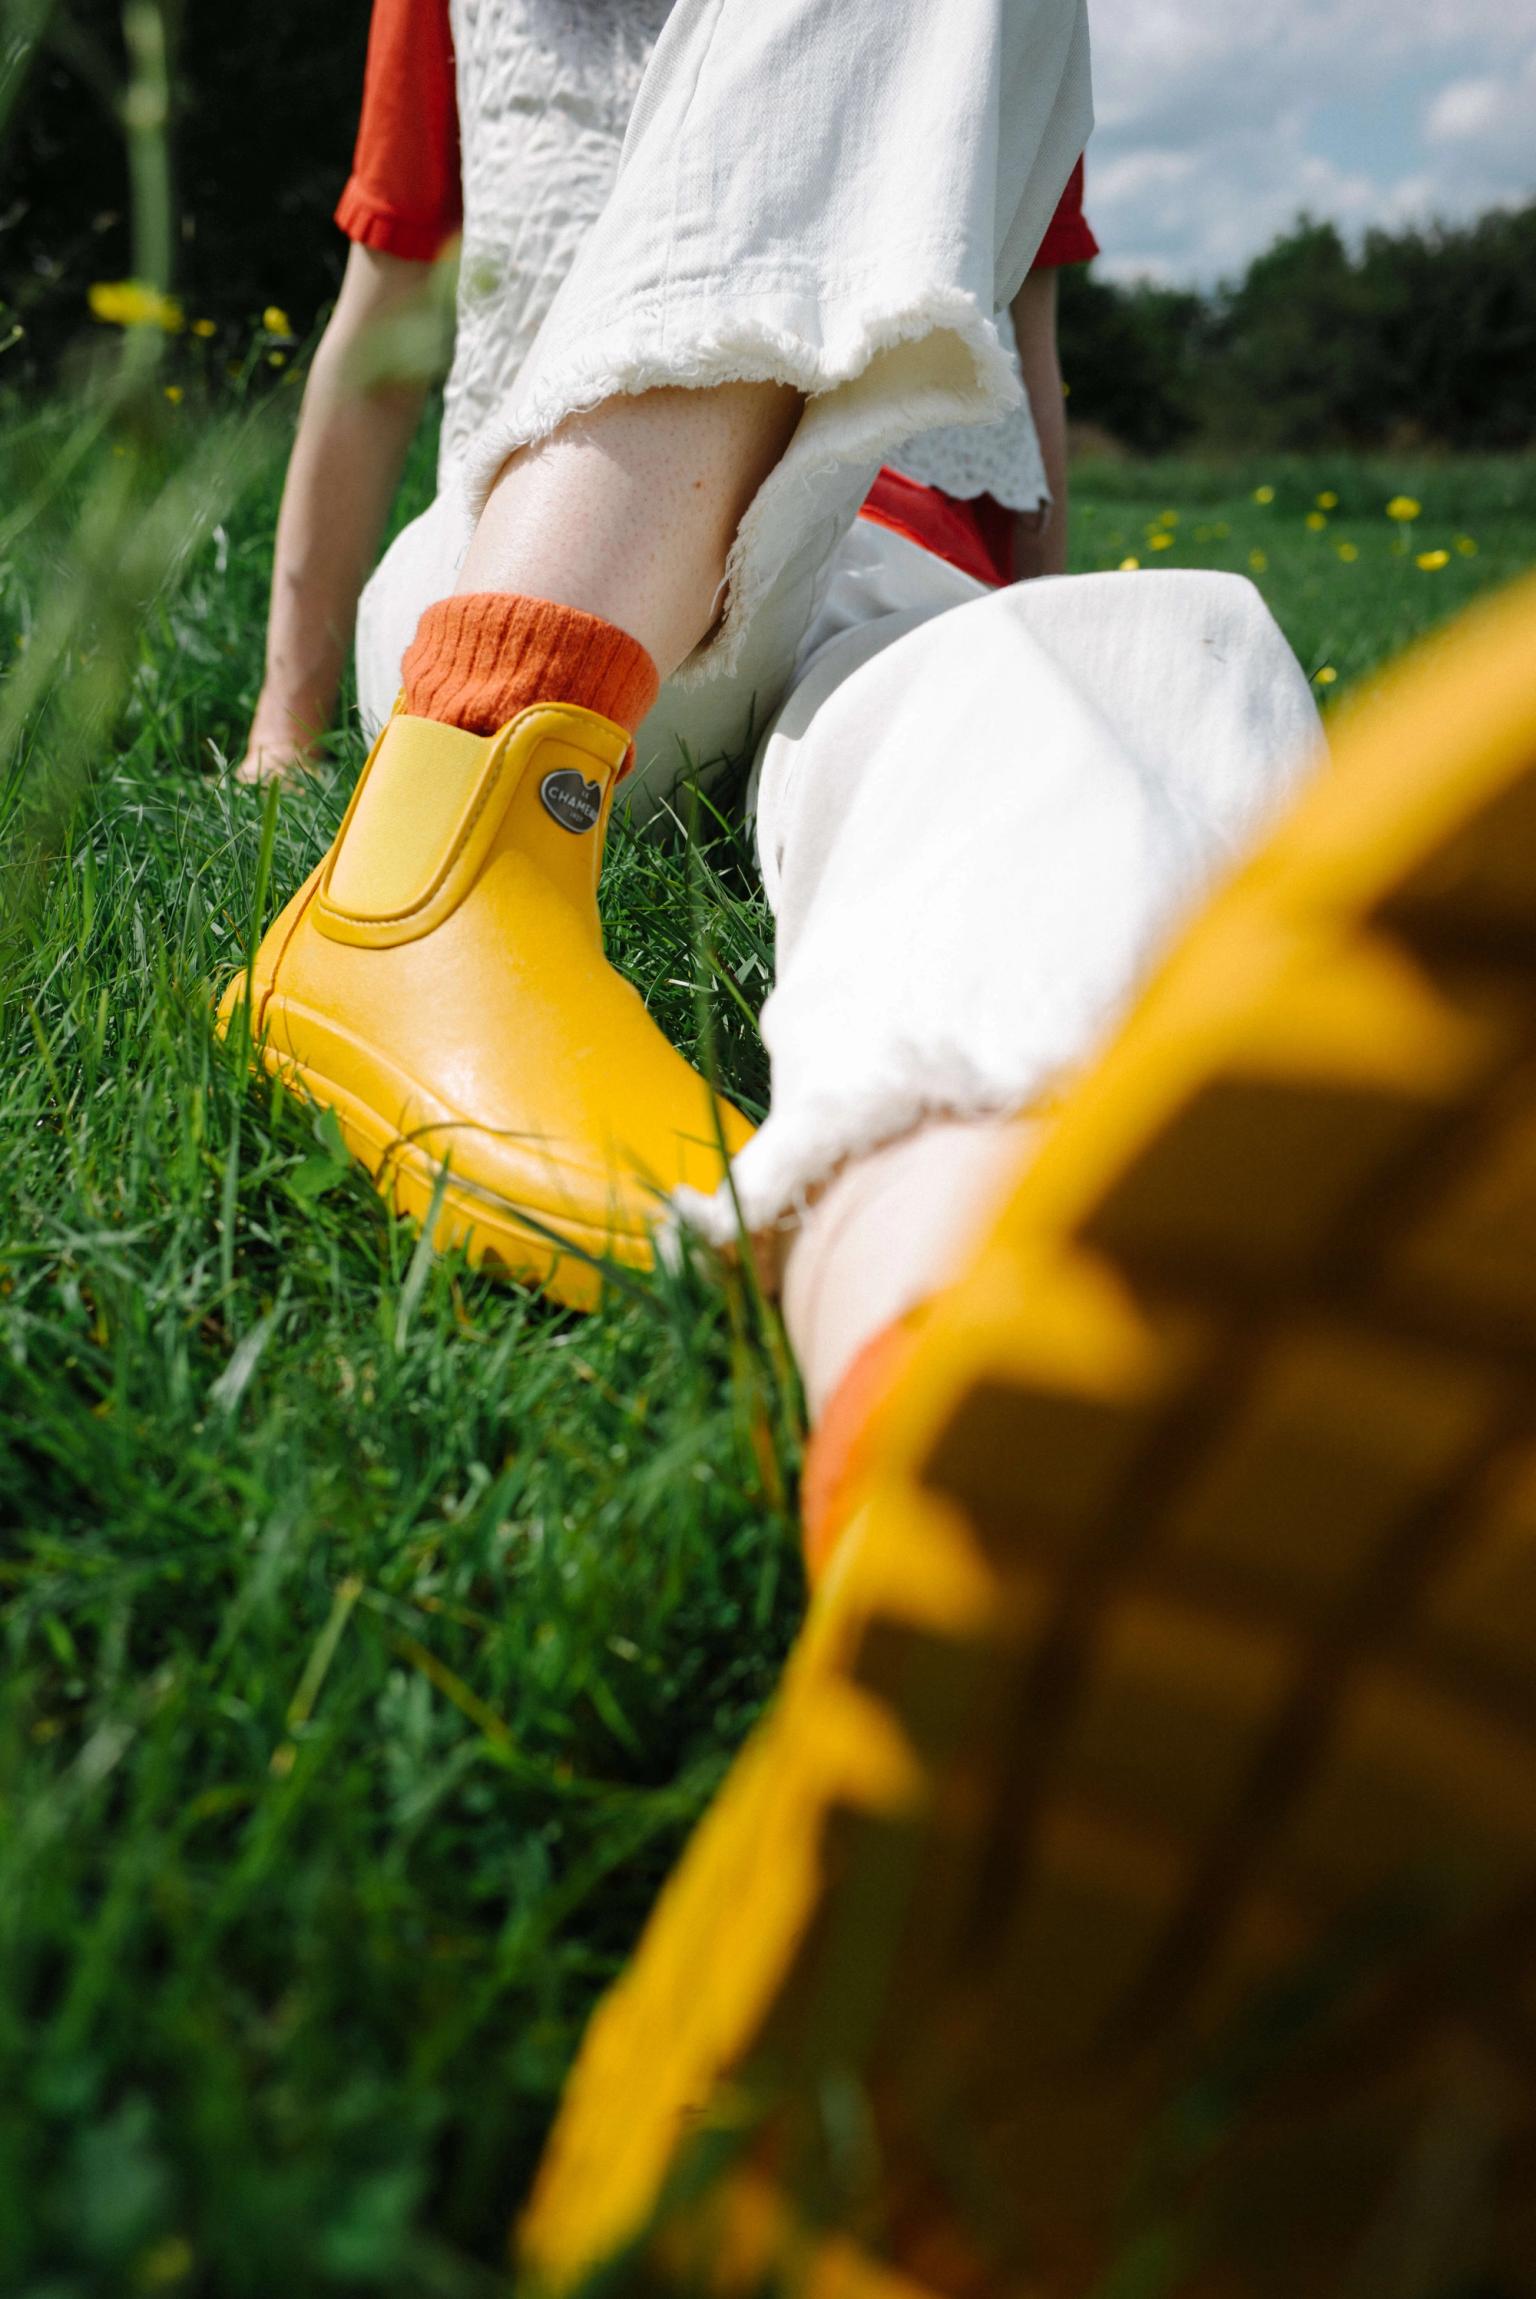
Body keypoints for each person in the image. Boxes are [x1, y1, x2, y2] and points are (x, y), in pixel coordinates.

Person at [222, 0, 1536, 2285]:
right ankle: (443, 825)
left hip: (878, 559)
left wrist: (1028, 679)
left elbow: (1010, 373)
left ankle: (955, 1466)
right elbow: (377, 325)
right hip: (551, 508)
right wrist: (278, 708)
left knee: (1149, 670)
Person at [235, 0, 1097, 791]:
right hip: (489, 577)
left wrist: (1041, 624)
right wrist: (283, 727)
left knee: (986, 775)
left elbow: (1025, 359)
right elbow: (375, 351)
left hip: (875, 597)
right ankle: (501, 699)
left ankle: (442, 850)